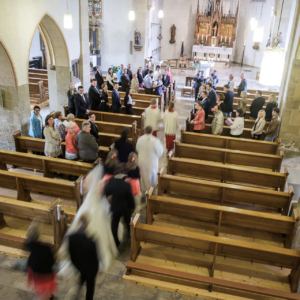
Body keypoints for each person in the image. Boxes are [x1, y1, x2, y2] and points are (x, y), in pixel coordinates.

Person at [58, 164, 118, 286]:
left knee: (80, 222)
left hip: (88, 203)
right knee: (101, 226)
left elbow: (85, 188)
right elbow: (102, 197)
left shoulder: (90, 177)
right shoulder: (101, 183)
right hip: (96, 206)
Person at [68, 214, 99, 300]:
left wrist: (76, 265)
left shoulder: (71, 238)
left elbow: (71, 254)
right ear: (87, 225)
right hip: (90, 270)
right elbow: (95, 260)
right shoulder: (92, 243)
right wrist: (95, 270)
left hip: (79, 266)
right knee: (90, 288)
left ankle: (77, 293)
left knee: (82, 278)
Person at [105, 163, 135, 247]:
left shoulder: (111, 180)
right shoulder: (126, 185)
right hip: (125, 208)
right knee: (128, 221)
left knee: (114, 225)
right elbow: (130, 197)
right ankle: (129, 233)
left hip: (115, 207)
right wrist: (133, 206)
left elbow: (107, 192)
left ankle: (115, 241)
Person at [26, 220, 57, 300]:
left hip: (37, 278)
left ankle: (48, 296)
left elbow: (29, 264)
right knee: (45, 295)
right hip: (46, 278)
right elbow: (51, 262)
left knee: (43, 293)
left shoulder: (30, 246)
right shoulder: (45, 249)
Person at [136, 126, 164, 194]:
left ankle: (143, 192)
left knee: (143, 177)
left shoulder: (140, 139)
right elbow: (160, 152)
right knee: (152, 177)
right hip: (152, 162)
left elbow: (137, 149)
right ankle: (151, 193)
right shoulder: (155, 140)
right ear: (152, 132)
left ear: (144, 131)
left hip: (142, 161)